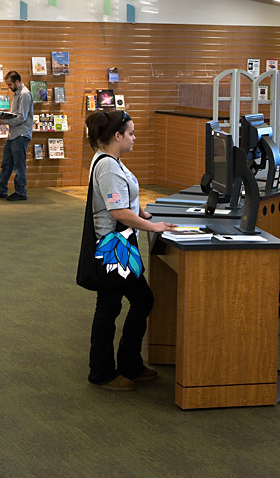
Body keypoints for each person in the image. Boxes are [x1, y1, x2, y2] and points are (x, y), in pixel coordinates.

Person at [84, 109, 176, 391]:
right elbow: (119, 212)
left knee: (136, 301)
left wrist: (142, 213)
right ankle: (103, 372)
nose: (134, 138)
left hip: (119, 245)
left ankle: (128, 364)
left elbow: (124, 201)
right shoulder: (108, 167)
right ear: (117, 136)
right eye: (131, 134)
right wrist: (153, 226)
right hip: (114, 248)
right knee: (116, 305)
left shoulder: (110, 160)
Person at [0, 70, 33, 201]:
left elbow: (22, 118)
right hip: (13, 135)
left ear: (17, 82)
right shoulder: (17, 94)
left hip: (21, 135)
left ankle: (21, 192)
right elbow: (16, 115)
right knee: (6, 164)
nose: (9, 87)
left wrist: (4, 121)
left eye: (10, 85)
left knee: (19, 165)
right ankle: (1, 190)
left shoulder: (24, 94)